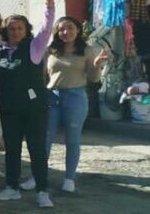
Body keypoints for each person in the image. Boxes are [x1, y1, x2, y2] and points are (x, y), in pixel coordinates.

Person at [0, 0, 55, 207]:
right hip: (9, 108)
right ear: (5, 30)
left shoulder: (34, 48)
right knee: (12, 149)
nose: (15, 32)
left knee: (36, 149)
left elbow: (46, 29)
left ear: (26, 31)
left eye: (19, 28)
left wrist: (49, 5)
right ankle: (11, 188)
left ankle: (42, 191)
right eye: (11, 28)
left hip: (34, 108)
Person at [41, 15, 108, 193]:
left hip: (75, 97)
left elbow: (93, 79)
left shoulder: (86, 50)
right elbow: (42, 76)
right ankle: (38, 175)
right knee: (45, 138)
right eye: (62, 29)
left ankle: (69, 178)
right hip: (52, 97)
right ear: (57, 32)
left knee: (72, 139)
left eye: (70, 28)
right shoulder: (51, 50)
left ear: (77, 30)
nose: (66, 32)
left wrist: (97, 65)